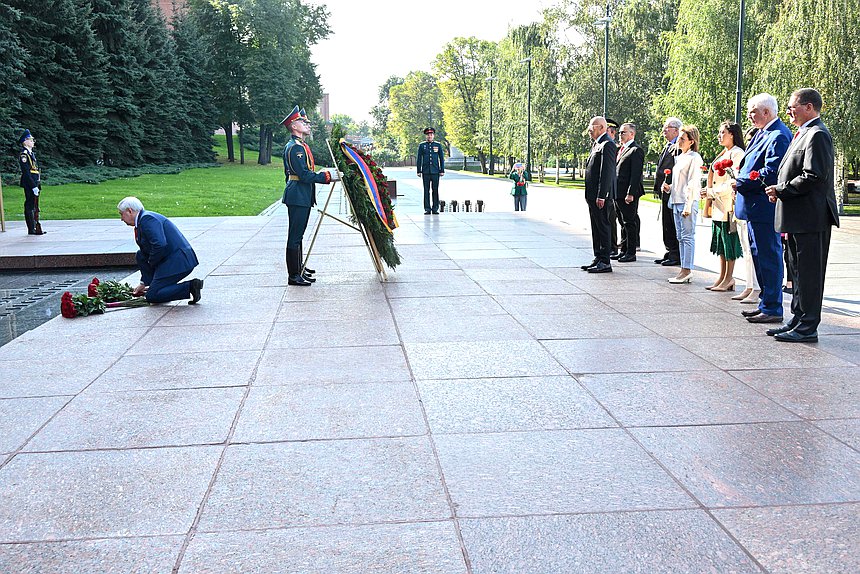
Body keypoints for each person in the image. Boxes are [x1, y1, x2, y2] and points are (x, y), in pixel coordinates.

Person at [765, 88, 839, 342]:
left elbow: (814, 175)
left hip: (811, 217)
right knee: (796, 272)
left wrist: (782, 190)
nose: (788, 112)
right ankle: (797, 319)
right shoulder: (803, 133)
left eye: (792, 107)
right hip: (797, 217)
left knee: (809, 274)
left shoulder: (817, 134)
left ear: (808, 107)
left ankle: (808, 327)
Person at [733, 93, 792, 324]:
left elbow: (771, 172)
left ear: (766, 112)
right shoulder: (762, 133)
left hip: (764, 207)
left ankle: (773, 307)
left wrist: (741, 182)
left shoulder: (778, 135)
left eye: (753, 111)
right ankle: (765, 303)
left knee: (769, 256)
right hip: (753, 207)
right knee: (759, 256)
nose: (749, 115)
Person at [281, 106, 336, 286]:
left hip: (300, 195)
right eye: (303, 122)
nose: (307, 124)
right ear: (294, 126)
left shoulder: (301, 146)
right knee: (295, 236)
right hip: (298, 195)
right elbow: (304, 175)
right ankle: (293, 275)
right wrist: (326, 177)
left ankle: (299, 269)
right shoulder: (295, 148)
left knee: (299, 235)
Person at [118, 196, 203, 304]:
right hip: (173, 260)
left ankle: (191, 286)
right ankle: (157, 285)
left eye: (121, 214)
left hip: (178, 262)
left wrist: (151, 263)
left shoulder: (147, 219)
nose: (121, 218)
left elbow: (159, 245)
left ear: (129, 211)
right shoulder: (143, 220)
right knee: (140, 255)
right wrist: (144, 283)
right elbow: (144, 253)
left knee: (153, 295)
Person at [702, 121, 745, 291]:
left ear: (732, 134)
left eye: (722, 132)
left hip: (728, 205)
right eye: (719, 132)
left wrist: (712, 192)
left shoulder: (737, 154)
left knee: (729, 243)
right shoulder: (724, 153)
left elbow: (732, 181)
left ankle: (729, 277)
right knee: (720, 243)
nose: (719, 136)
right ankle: (722, 276)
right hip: (718, 206)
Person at [661, 125, 703, 283]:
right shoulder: (680, 157)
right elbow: (680, 182)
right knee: (680, 236)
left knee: (687, 236)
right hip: (676, 200)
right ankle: (683, 268)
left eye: (682, 139)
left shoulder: (694, 158)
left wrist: (688, 204)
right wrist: (669, 187)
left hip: (686, 202)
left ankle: (687, 269)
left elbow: (693, 182)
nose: (679, 141)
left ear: (691, 141)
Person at [581, 116, 617, 274]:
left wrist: (602, 195)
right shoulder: (598, 144)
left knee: (603, 226)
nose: (589, 130)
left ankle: (605, 261)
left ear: (601, 128)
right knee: (596, 227)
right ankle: (598, 257)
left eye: (592, 127)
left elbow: (607, 172)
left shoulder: (608, 144)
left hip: (600, 196)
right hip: (592, 194)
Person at [731, 125, 761, 303]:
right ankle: (750, 285)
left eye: (752, 139)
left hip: (754, 205)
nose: (749, 143)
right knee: (746, 249)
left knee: (753, 251)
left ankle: (756, 288)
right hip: (742, 204)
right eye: (748, 139)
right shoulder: (747, 155)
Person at [654, 118, 683, 266]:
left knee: (672, 223)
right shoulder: (668, 145)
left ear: (676, 130)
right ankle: (669, 250)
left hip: (673, 192)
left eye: (667, 128)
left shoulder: (679, 147)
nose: (664, 131)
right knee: (666, 224)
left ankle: (675, 253)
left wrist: (669, 185)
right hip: (665, 191)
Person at [614, 122, 645, 262]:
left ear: (632, 134)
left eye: (623, 132)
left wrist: (630, 193)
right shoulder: (620, 149)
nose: (620, 135)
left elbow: (636, 174)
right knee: (622, 222)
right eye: (620, 132)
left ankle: (631, 252)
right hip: (617, 192)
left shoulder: (635, 150)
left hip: (628, 193)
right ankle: (624, 249)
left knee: (629, 222)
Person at [18, 129, 45, 235]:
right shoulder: (24, 155)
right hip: (29, 183)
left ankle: (35, 226)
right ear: (25, 141)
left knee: (35, 206)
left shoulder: (31, 154)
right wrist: (33, 186)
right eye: (31, 139)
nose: (33, 141)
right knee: (29, 205)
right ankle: (31, 229)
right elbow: (26, 172)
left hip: (35, 182)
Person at [416, 127, 445, 215]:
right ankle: (427, 208)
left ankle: (435, 208)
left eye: (431, 135)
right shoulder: (422, 146)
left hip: (435, 171)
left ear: (433, 135)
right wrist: (419, 170)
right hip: (426, 171)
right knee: (426, 190)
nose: (430, 136)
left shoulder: (438, 145)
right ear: (426, 136)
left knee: (435, 190)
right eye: (428, 135)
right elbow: (419, 159)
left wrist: (442, 170)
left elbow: (441, 158)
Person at [605, 119, 621, 256]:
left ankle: (613, 247)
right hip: (609, 188)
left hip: (613, 189)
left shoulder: (612, 147)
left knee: (611, 218)